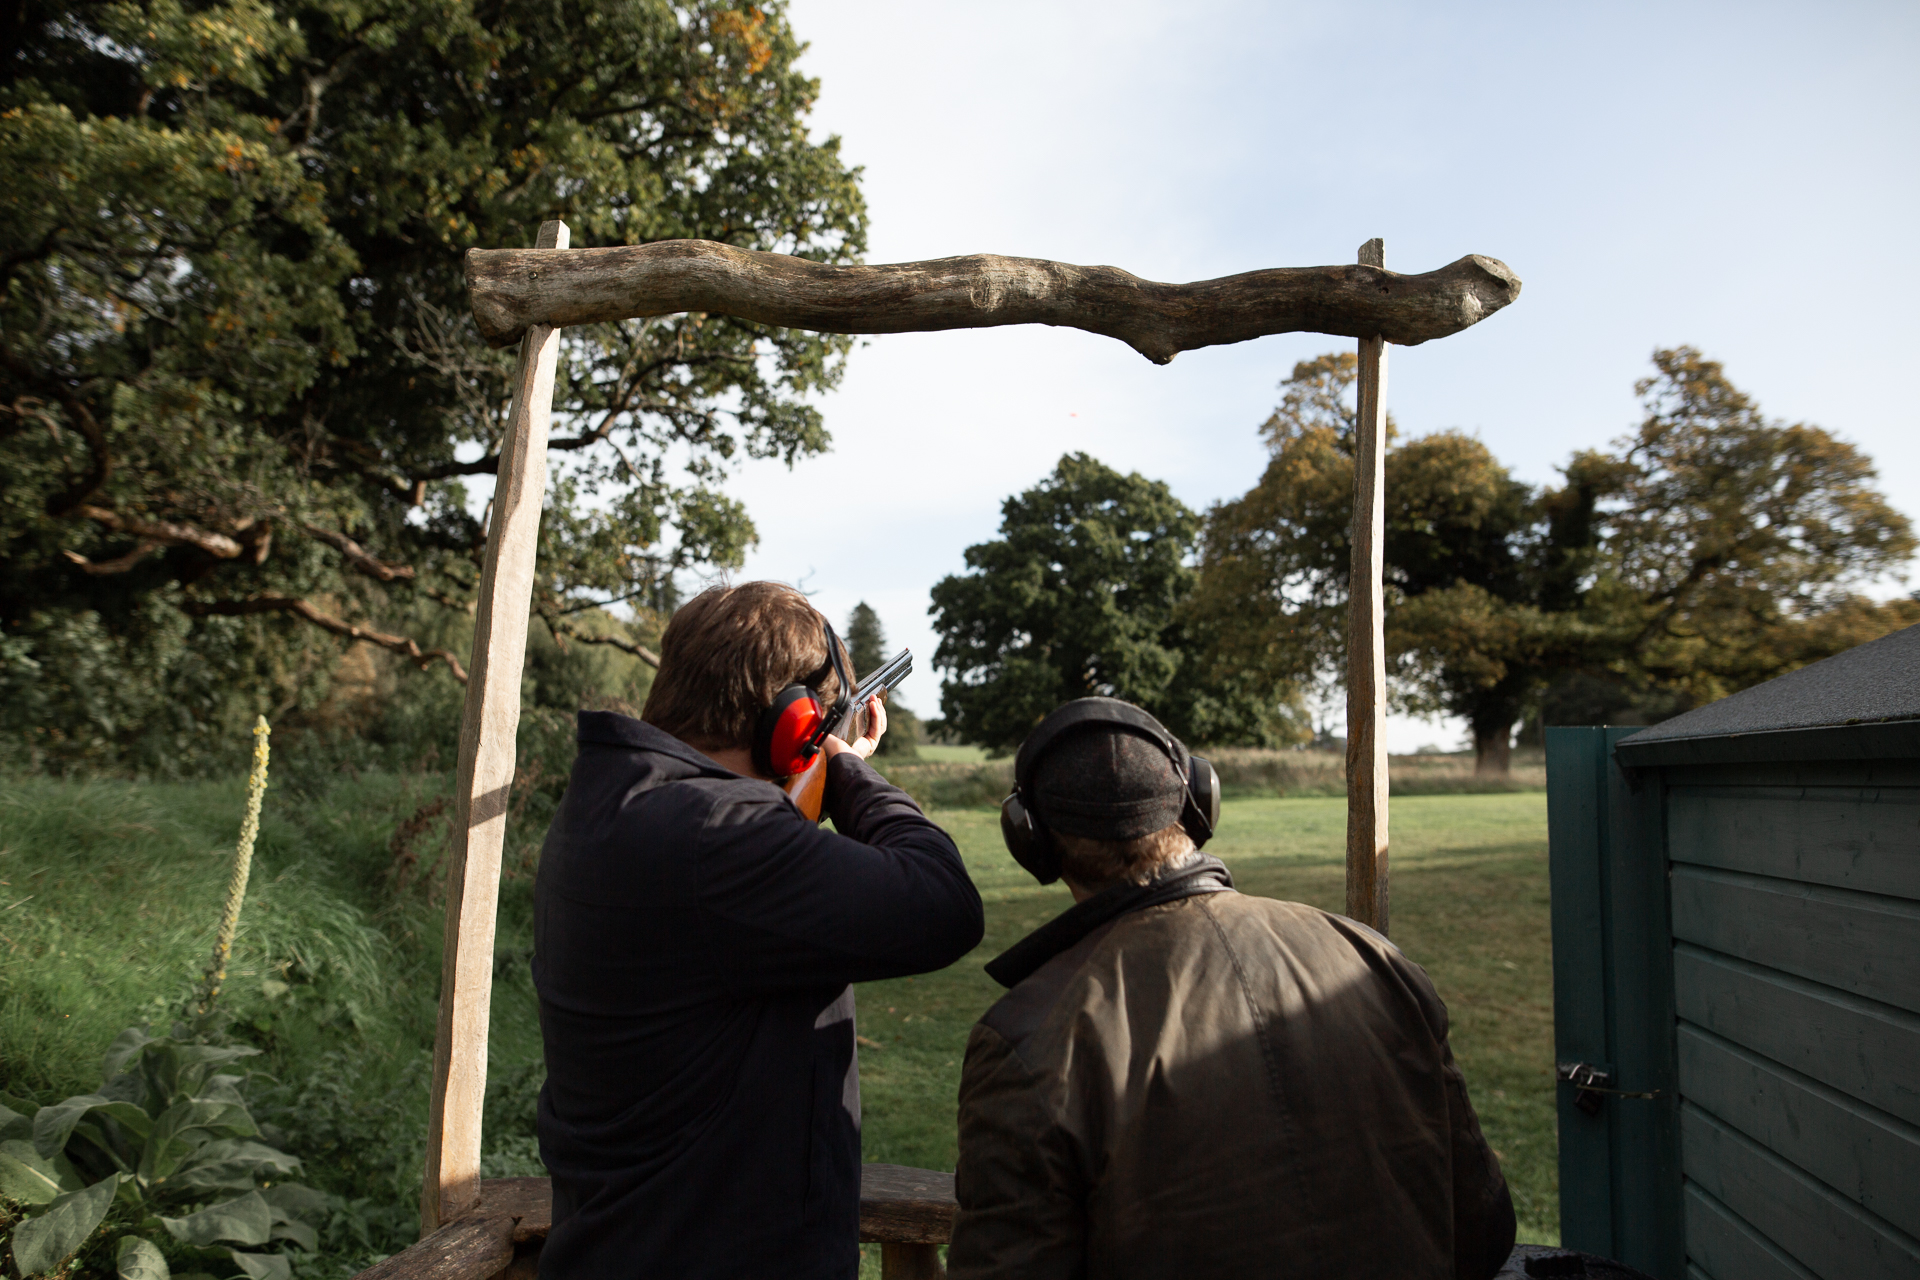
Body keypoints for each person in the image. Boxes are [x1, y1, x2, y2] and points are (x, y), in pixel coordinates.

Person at [948, 697, 1516, 1280]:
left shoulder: (1027, 1038)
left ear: (1030, 840)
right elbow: (1484, 1227)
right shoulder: (1372, 956)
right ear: (1198, 802)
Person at [532, 582, 984, 1279]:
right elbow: (943, 904)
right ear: (793, 722)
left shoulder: (617, 800)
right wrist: (847, 772)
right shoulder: (719, 835)